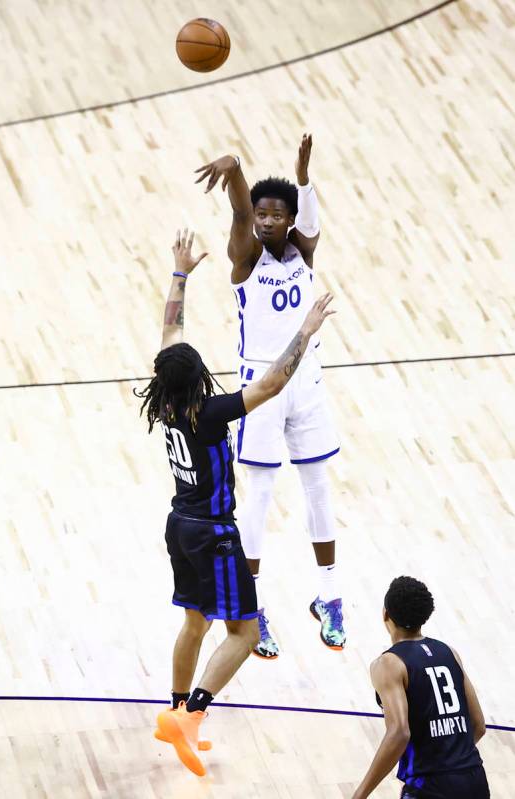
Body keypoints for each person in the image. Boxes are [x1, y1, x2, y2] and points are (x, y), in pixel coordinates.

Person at [135, 228, 336, 777]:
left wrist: (180, 273)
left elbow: (170, 329)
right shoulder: (208, 412)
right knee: (244, 632)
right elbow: (271, 384)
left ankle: (174, 712)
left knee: (194, 623)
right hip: (213, 532)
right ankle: (192, 716)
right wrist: (306, 330)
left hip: (179, 524)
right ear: (197, 376)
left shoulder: (171, 403)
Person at [195, 134, 344, 658]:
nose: (265, 221)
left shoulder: (302, 251)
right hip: (261, 386)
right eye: (261, 214)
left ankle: (329, 597)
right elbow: (237, 210)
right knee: (257, 498)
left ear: (289, 219)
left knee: (317, 487)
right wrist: (235, 167)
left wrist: (303, 177)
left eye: (276, 215)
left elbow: (311, 226)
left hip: (306, 379)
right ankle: (251, 609)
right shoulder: (244, 258)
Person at [352, 576, 489, 799]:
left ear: (385, 613)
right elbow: (478, 725)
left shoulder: (388, 664)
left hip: (429, 785)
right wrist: (450, 758)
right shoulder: (449, 652)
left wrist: (359, 795)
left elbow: (399, 733)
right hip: (474, 780)